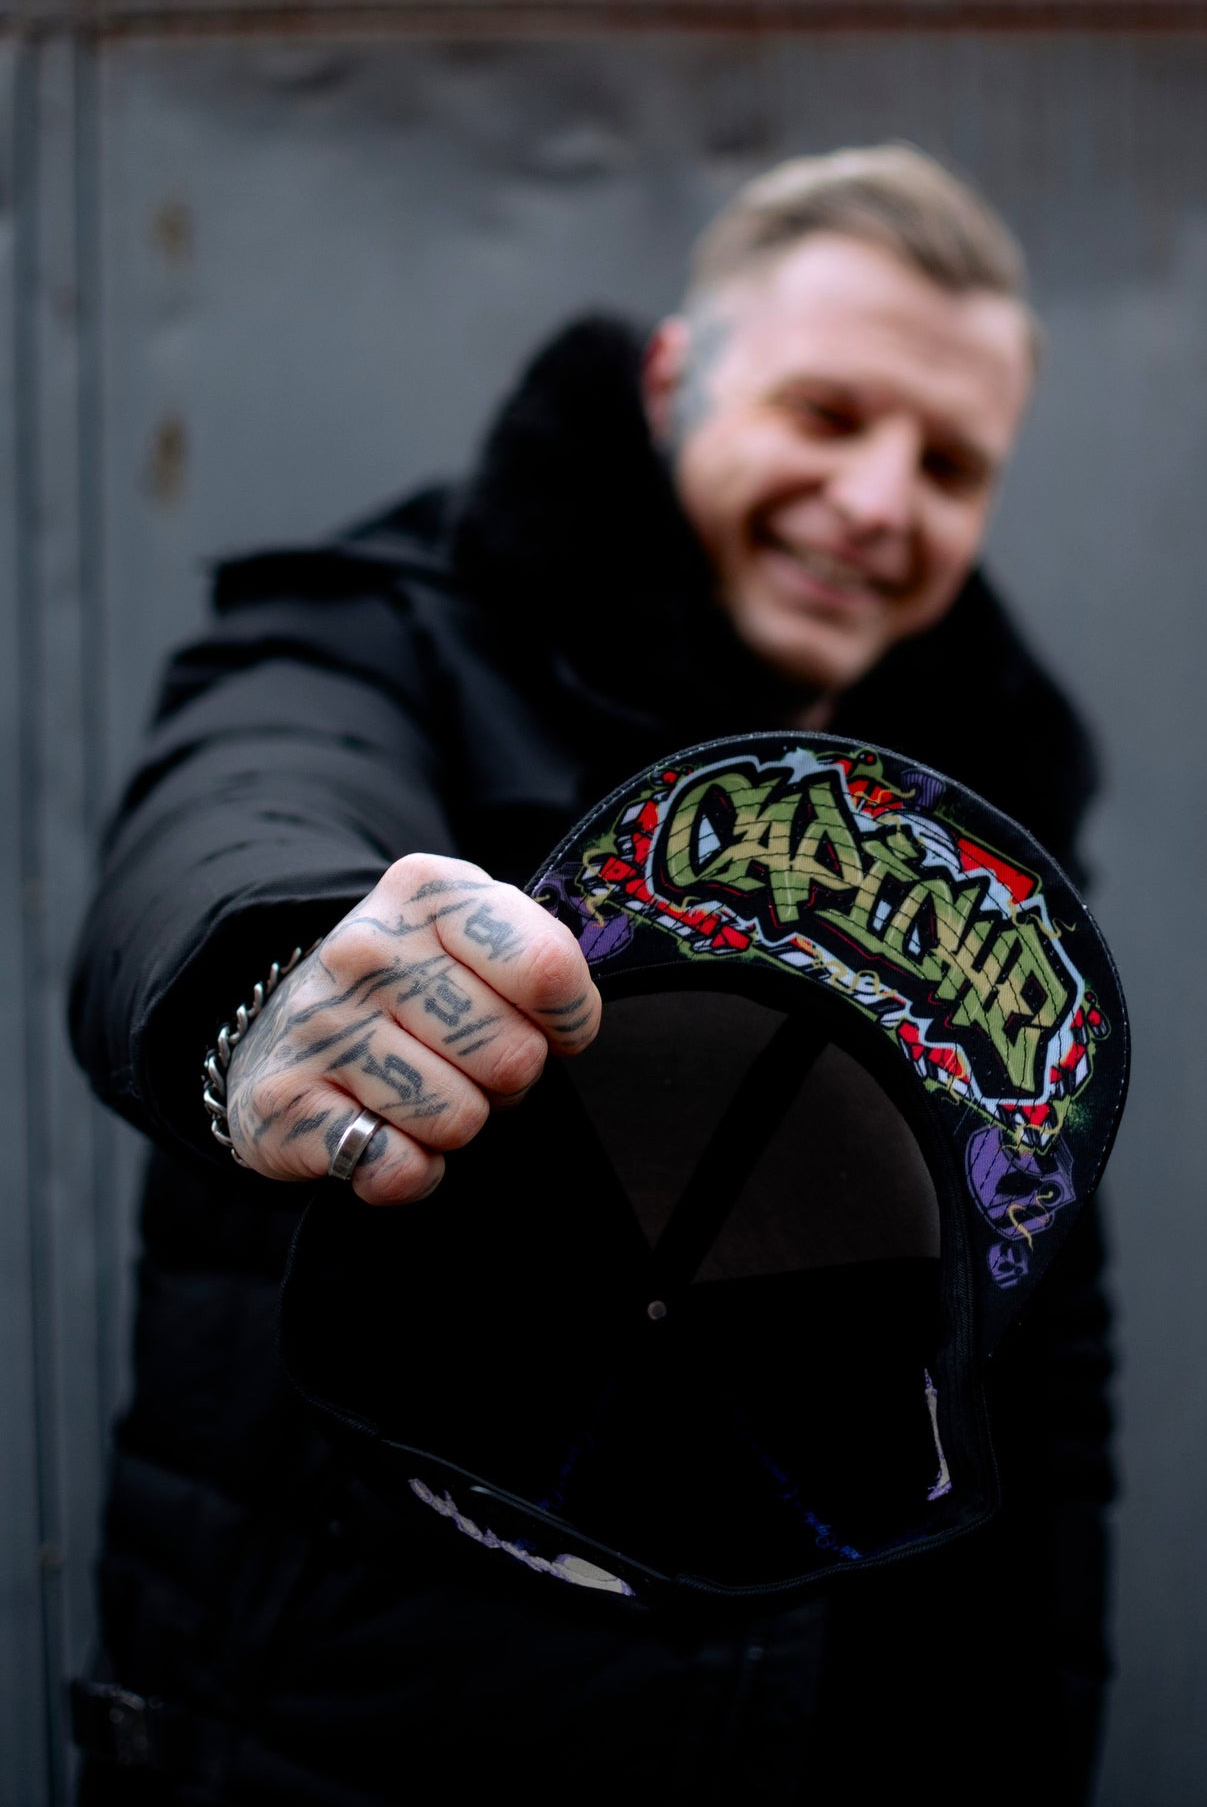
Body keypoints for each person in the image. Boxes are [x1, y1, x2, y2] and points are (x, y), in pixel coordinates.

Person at [70, 145, 1113, 1804]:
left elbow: (1033, 1404)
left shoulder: (992, 832)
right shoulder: (386, 636)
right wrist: (274, 973)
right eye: (829, 417)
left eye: (949, 463)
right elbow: (246, 805)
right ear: (672, 377)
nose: (877, 500)